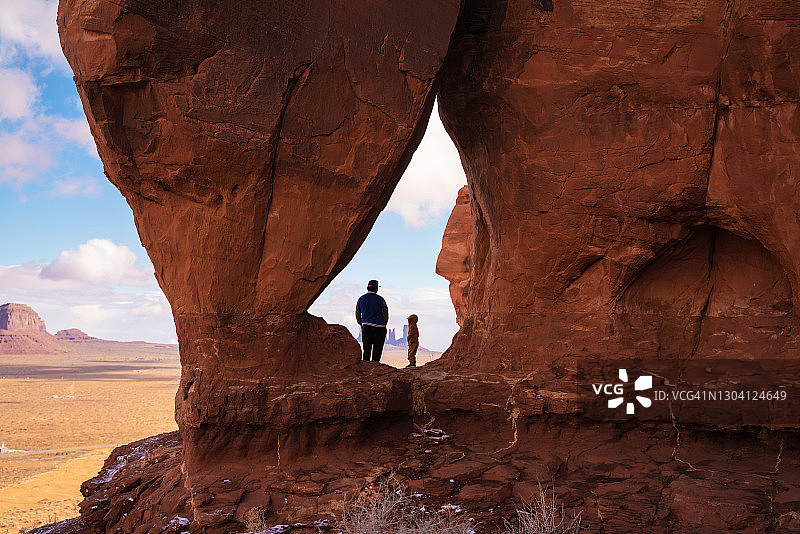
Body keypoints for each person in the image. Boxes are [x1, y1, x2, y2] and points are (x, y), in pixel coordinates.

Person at [355, 279, 388, 362]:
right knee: (377, 350)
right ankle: (375, 369)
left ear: (367, 288)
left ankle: (365, 369)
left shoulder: (361, 299)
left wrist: (361, 324)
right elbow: (385, 313)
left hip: (366, 326)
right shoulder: (381, 299)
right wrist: (383, 324)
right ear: (376, 288)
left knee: (366, 349)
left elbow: (358, 313)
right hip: (379, 327)